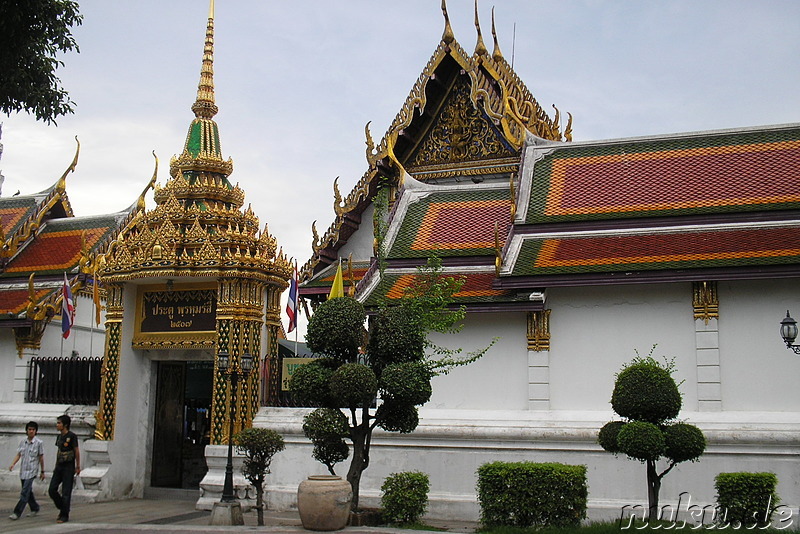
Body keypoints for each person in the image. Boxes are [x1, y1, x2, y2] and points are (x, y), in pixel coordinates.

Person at [8, 421, 45, 520]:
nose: (31, 431)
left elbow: (41, 457)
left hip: (32, 470)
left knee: (24, 492)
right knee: (28, 491)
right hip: (23, 470)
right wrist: (13, 464)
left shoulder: (39, 443)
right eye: (29, 429)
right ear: (26, 431)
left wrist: (42, 471)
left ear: (36, 431)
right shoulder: (23, 442)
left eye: (33, 430)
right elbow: (19, 454)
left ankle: (17, 512)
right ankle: (35, 507)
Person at [48, 415, 80, 524]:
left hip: (68, 466)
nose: (57, 425)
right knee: (52, 489)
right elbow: (59, 451)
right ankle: (62, 506)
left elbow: (76, 451)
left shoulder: (72, 436)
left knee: (66, 491)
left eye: (59, 423)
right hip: (59, 466)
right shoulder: (59, 437)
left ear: (65, 425)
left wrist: (78, 466)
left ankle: (64, 514)